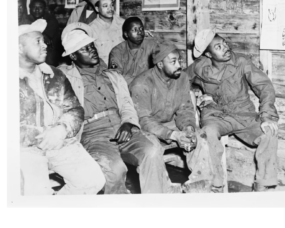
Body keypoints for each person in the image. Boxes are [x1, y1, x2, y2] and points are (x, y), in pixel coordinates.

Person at [58, 25, 166, 194]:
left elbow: (126, 105)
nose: (92, 50)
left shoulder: (112, 75)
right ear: (73, 56)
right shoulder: (65, 77)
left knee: (152, 151)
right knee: (115, 168)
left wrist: (129, 123)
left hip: (122, 127)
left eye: (92, 46)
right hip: (93, 134)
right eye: (85, 49)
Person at [19, 19, 105, 196]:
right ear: (19, 48)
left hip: (60, 142)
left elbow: (75, 109)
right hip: (25, 150)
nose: (45, 45)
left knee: (93, 180)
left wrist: (62, 128)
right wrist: (40, 135)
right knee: (36, 195)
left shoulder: (54, 75)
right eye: (37, 41)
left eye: (44, 41)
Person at [186, 29, 279, 192]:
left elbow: (265, 87)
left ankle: (264, 187)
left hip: (243, 113)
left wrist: (267, 116)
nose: (225, 47)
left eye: (224, 43)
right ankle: (215, 185)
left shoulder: (241, 62)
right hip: (215, 115)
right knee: (207, 134)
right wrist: (195, 97)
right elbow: (179, 83)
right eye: (218, 47)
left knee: (269, 133)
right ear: (208, 54)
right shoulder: (199, 67)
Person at [129, 43, 214, 193]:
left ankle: (199, 186)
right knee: (152, 148)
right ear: (160, 64)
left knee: (200, 136)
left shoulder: (182, 78)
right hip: (145, 128)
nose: (179, 65)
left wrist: (188, 128)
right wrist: (174, 135)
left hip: (169, 124)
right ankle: (164, 192)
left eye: (180, 61)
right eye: (173, 62)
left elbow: (185, 108)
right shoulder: (141, 83)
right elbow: (143, 120)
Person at [109, 17, 159, 85]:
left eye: (141, 29)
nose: (139, 32)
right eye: (135, 30)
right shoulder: (117, 51)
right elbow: (115, 77)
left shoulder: (152, 46)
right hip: (125, 90)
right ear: (126, 34)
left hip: (148, 89)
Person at [88, 0, 125, 65]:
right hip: (104, 71)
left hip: (125, 68)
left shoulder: (123, 24)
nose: (110, 8)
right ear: (97, 9)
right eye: (105, 6)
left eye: (111, 5)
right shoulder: (91, 29)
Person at [29, 0, 62, 66]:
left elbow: (44, 38)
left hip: (49, 57)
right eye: (34, 7)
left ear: (44, 9)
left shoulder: (51, 21)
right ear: (30, 8)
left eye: (40, 7)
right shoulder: (29, 19)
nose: (37, 10)